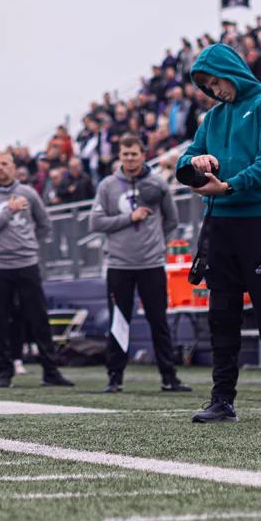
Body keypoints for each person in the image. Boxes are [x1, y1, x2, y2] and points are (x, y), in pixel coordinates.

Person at [176, 42, 261, 426]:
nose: (216, 91)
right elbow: (184, 160)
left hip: (259, 221)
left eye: (218, 82)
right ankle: (222, 400)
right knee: (222, 315)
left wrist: (227, 187)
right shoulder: (212, 119)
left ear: (234, 71)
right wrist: (194, 161)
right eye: (209, 86)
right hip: (220, 226)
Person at [89, 134, 189, 395]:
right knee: (119, 322)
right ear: (119, 156)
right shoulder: (108, 186)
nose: (129, 158)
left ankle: (169, 377)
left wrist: (155, 244)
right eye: (125, 154)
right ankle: (115, 377)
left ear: (143, 155)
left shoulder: (157, 183)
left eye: (134, 153)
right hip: (119, 265)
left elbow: (171, 221)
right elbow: (96, 222)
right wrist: (128, 218)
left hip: (151, 264)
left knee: (159, 321)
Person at [0, 150, 72, 389]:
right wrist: (10, 211)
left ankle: (51, 371)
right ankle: (3, 372)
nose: (0, 168)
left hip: (27, 263)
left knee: (38, 318)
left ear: (14, 166)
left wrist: (26, 242)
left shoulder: (28, 192)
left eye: (4, 164)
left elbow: (45, 224)